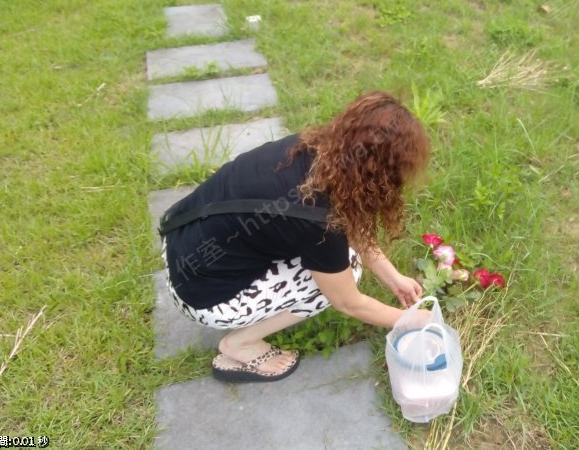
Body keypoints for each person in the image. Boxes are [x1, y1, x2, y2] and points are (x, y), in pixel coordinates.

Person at [159, 91, 431, 382]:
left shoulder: (306, 147)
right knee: (347, 270)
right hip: (202, 296)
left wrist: (392, 276)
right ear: (381, 171)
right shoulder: (319, 222)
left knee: (328, 256)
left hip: (180, 243)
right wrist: (411, 320)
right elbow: (348, 302)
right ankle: (240, 344)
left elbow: (346, 219)